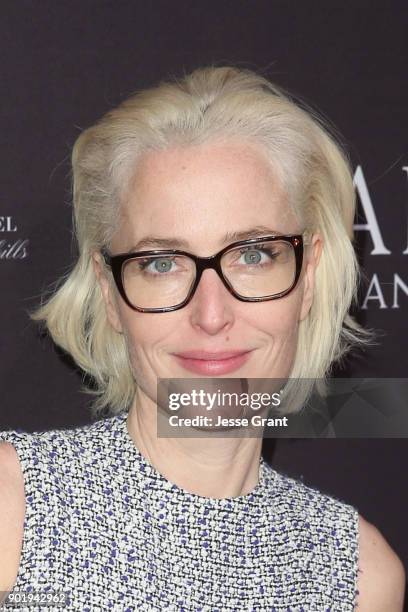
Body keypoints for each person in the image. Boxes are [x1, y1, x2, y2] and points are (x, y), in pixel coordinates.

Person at [0, 65, 405, 611]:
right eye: (162, 262)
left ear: (307, 277)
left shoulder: (359, 573)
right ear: (110, 292)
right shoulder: (14, 506)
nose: (211, 315)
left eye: (253, 255)